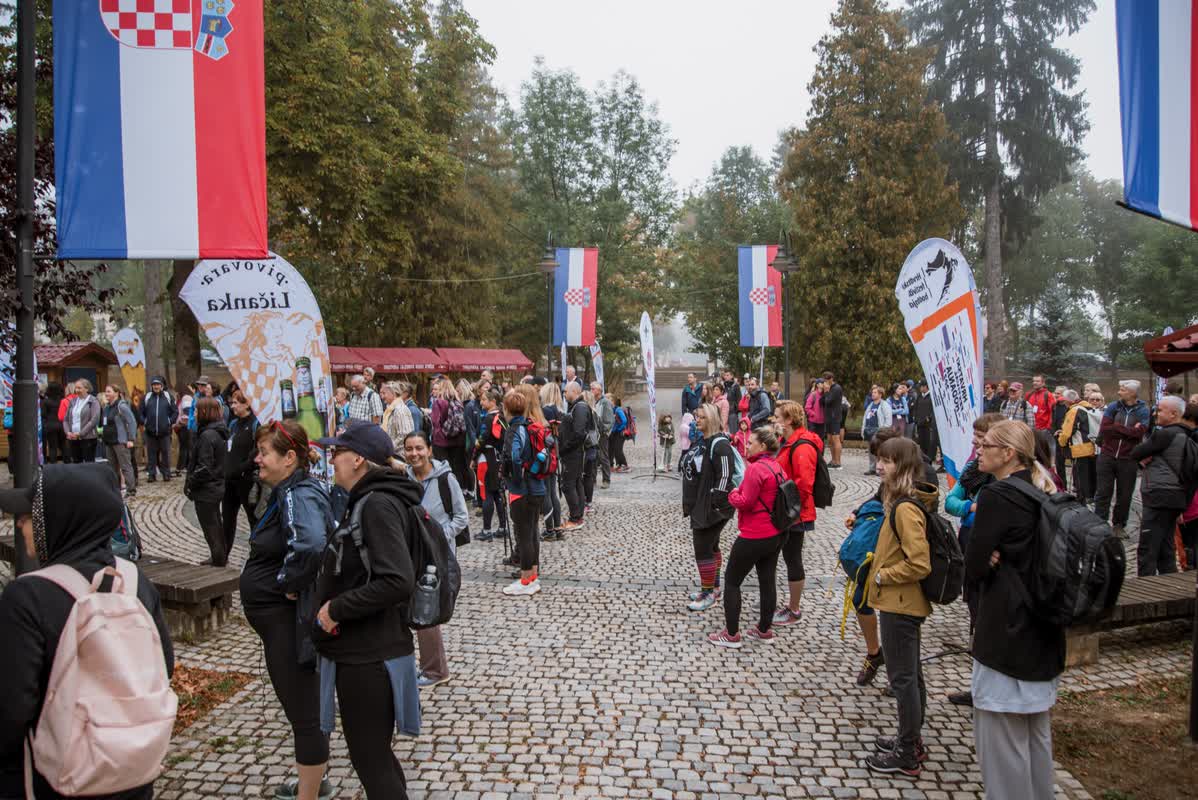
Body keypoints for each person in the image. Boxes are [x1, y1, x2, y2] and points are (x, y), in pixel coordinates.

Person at [0, 463, 175, 800]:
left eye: (29, 516)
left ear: (59, 522)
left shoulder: (27, 598)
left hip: (54, 777)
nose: (20, 524)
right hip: (132, 769)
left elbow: (11, 709)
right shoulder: (136, 583)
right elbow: (163, 667)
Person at [311, 422, 418, 799]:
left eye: (336, 452)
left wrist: (336, 609)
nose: (331, 459)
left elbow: (397, 580)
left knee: (370, 759)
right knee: (375, 758)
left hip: (370, 656)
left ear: (358, 459)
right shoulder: (369, 498)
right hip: (368, 651)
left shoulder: (377, 504)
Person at [968, 420, 1065, 799]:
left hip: (1007, 634)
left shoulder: (999, 496)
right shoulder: (1043, 489)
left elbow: (974, 566)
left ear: (1007, 453)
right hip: (1042, 631)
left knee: (1001, 743)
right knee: (1035, 737)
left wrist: (986, 560)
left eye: (986, 444)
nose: (979, 449)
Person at [243, 419, 333, 800]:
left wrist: (286, 583)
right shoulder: (289, 491)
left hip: (287, 623)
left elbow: (311, 545)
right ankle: (314, 779)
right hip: (280, 622)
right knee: (304, 708)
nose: (257, 460)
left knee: (304, 713)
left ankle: (309, 794)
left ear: (290, 457)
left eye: (264, 453)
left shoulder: (299, 493)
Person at [863, 437, 936, 778]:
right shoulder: (897, 501)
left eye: (888, 461)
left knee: (903, 678)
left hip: (901, 603)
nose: (880, 466)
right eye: (879, 459)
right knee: (911, 675)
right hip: (899, 601)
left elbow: (919, 563)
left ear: (903, 466)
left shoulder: (906, 508)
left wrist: (882, 576)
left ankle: (908, 750)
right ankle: (911, 739)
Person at [707, 424, 786, 647]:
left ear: (762, 445)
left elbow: (745, 501)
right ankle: (764, 630)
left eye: (750, 443)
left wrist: (732, 492)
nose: (746, 446)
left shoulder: (756, 469)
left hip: (754, 534)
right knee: (767, 580)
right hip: (774, 534)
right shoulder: (777, 467)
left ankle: (731, 635)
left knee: (732, 581)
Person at [943, 413, 1001, 706]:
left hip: (995, 551)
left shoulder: (1006, 478)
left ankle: (991, 688)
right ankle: (978, 684)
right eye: (975, 439)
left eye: (983, 440)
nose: (976, 446)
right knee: (975, 608)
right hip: (970, 538)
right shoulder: (971, 469)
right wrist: (972, 506)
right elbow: (950, 502)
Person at [402, 431, 467, 689]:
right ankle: (430, 667)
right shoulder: (404, 478)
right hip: (410, 552)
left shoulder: (445, 479)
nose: (414, 453)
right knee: (416, 607)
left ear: (430, 450)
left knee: (425, 607)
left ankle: (435, 669)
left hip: (436, 556)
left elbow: (461, 518)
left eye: (419, 448)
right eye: (409, 449)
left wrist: (438, 538)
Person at [682, 404, 737, 612]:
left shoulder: (720, 444)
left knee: (703, 548)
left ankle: (708, 593)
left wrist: (714, 501)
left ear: (712, 419)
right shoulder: (703, 441)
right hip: (701, 502)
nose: (697, 421)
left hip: (713, 506)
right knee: (711, 547)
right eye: (697, 417)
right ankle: (713, 588)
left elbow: (725, 475)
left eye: (702, 418)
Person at [773, 401, 823, 626]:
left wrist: (787, 510)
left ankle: (794, 609)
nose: (774, 421)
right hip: (786, 510)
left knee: (793, 559)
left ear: (789, 420)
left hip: (794, 513)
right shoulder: (788, 442)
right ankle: (777, 601)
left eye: (777, 417)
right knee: (782, 556)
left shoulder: (801, 446)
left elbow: (803, 486)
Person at [1128, 395, 1190, 575]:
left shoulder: (1165, 434)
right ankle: (1168, 585)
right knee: (1166, 547)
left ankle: (1146, 590)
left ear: (1174, 413)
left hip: (1159, 494)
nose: (1156, 413)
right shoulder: (1185, 433)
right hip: (1176, 495)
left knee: (1148, 548)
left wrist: (1145, 456)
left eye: (1160, 410)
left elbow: (1136, 452)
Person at [502, 389, 546, 596]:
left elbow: (514, 456)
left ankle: (526, 580)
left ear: (506, 409)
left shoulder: (513, 430)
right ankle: (533, 577)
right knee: (532, 533)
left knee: (524, 535)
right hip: (537, 488)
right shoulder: (530, 426)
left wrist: (515, 479)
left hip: (523, 491)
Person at [1094, 379, 1150, 539]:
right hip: (1107, 455)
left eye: (1123, 390)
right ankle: (1100, 523)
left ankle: (1119, 525)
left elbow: (1139, 434)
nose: (1119, 392)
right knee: (1103, 491)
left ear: (1132, 393)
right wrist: (1128, 430)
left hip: (1128, 458)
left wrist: (1116, 428)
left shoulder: (1143, 410)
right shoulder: (1113, 406)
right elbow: (1105, 429)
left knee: (1125, 494)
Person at [185, 397, 230, 566]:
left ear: (204, 412)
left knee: (211, 528)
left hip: (207, 489)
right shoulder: (215, 432)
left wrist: (191, 482)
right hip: (215, 486)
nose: (194, 414)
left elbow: (205, 467)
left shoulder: (207, 436)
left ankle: (218, 559)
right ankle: (219, 556)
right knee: (215, 525)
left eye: (196, 411)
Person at [222, 390, 260, 559]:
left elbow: (257, 451)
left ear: (246, 404)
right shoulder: (233, 424)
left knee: (253, 518)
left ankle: (257, 553)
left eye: (236, 402)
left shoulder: (255, 424)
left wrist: (243, 467)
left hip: (247, 480)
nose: (232, 406)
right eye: (231, 403)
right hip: (230, 480)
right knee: (228, 519)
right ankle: (222, 554)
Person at [473, 386, 509, 542]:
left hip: (487, 459)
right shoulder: (503, 417)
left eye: (484, 400)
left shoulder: (488, 418)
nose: (481, 403)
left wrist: (473, 457)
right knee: (498, 494)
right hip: (499, 459)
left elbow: (481, 439)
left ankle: (487, 530)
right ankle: (502, 528)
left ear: (493, 401)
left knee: (487, 494)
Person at [558, 382, 592, 530]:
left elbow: (579, 433)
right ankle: (577, 517)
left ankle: (575, 518)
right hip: (574, 452)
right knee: (576, 483)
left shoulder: (580, 407)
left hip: (573, 453)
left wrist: (564, 449)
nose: (564, 394)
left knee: (568, 485)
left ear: (574, 391)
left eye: (566, 391)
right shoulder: (577, 407)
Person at [1057, 390, 1098, 504]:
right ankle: (1089, 497)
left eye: (1065, 401)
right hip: (1091, 446)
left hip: (1080, 448)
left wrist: (1061, 442)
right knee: (1089, 475)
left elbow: (1067, 432)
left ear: (1069, 401)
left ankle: (1082, 500)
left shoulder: (1074, 410)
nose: (1064, 403)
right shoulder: (1087, 407)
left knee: (1081, 477)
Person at [429, 377, 469, 491]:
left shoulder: (439, 403)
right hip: (457, 440)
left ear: (441, 389)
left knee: (444, 469)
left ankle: (447, 491)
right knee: (457, 468)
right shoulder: (457, 402)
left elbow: (435, 422)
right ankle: (461, 490)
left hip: (442, 442)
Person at [101, 384, 139, 497]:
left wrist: (131, 439)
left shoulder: (121, 406)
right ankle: (115, 488)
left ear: (116, 393)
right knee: (112, 468)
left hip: (120, 441)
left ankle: (131, 489)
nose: (106, 394)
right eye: (106, 392)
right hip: (109, 442)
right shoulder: (107, 407)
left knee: (125, 466)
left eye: (109, 391)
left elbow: (132, 422)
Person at [140, 375, 177, 482]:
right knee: (151, 454)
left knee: (165, 454)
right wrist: (145, 422)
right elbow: (140, 413)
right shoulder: (146, 397)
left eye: (158, 384)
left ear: (162, 386)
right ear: (151, 386)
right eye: (154, 385)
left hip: (165, 432)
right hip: (150, 432)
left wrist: (169, 421)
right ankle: (152, 474)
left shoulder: (168, 396)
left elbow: (175, 412)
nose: (156, 386)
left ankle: (166, 474)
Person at [64, 379, 100, 464]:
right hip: (73, 438)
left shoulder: (93, 401)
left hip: (88, 438)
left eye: (79, 388)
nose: (77, 390)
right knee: (76, 463)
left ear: (87, 389)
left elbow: (94, 420)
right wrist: (68, 432)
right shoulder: (73, 401)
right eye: (76, 388)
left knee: (89, 464)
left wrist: (80, 434)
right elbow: (65, 419)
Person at [861, 386, 893, 475]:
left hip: (879, 432)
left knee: (880, 451)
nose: (873, 394)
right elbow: (865, 418)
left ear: (880, 394)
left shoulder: (885, 405)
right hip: (869, 431)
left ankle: (880, 469)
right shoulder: (870, 405)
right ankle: (872, 468)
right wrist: (863, 429)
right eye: (872, 392)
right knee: (871, 450)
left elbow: (888, 420)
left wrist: (883, 431)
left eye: (875, 392)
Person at [1025, 374, 1057, 454]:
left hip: (1043, 430)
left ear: (1043, 383)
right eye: (1034, 381)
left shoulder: (1048, 395)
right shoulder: (1029, 394)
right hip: (1031, 430)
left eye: (1037, 381)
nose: (1035, 383)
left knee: (1043, 454)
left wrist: (1048, 428)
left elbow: (1052, 412)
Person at [381, 381, 415, 456]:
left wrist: (389, 447)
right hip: (393, 453)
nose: (382, 397)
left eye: (384, 393)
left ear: (393, 393)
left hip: (400, 456)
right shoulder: (391, 409)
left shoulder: (400, 410)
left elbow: (405, 435)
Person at [591, 382, 614, 488]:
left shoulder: (605, 402)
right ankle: (593, 479)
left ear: (599, 391)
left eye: (593, 389)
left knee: (603, 456)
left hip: (602, 434)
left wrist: (604, 430)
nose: (591, 391)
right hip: (594, 433)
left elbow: (610, 420)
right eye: (591, 389)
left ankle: (606, 480)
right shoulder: (593, 401)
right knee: (594, 457)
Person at [820, 372, 844, 468]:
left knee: (835, 439)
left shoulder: (836, 388)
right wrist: (823, 392)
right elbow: (822, 402)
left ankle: (838, 462)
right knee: (830, 440)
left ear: (831, 379)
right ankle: (833, 460)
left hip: (835, 417)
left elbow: (828, 401)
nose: (825, 382)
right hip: (828, 417)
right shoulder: (828, 389)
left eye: (826, 380)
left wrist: (826, 391)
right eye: (824, 380)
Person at [910, 380, 937, 465]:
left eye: (921, 386)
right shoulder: (919, 397)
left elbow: (933, 411)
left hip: (928, 426)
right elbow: (915, 408)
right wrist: (915, 418)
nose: (920, 388)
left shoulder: (931, 396)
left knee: (929, 444)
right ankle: (922, 462)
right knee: (921, 444)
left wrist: (928, 418)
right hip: (920, 424)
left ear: (926, 386)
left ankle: (929, 462)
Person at [40, 382, 66, 464]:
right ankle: (67, 464)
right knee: (64, 446)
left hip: (50, 425)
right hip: (62, 425)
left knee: (52, 447)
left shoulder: (45, 401)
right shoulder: (63, 400)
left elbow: (43, 415)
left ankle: (53, 467)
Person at [175, 384, 194, 475]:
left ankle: (182, 467)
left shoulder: (186, 398)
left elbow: (186, 413)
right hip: (184, 427)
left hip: (185, 426)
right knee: (185, 447)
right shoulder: (185, 398)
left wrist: (180, 423)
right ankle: (183, 467)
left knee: (185, 448)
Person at [609, 398, 629, 472]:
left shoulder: (618, 410)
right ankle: (619, 465)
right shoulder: (613, 410)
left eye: (609, 399)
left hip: (620, 433)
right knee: (615, 449)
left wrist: (619, 429)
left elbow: (624, 420)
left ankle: (625, 465)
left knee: (618, 449)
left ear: (613, 402)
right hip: (615, 433)